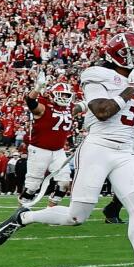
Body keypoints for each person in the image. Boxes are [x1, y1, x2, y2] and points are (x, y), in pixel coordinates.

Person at [0, 31, 134, 267]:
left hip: (126, 151)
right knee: (75, 217)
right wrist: (131, 88)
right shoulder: (96, 74)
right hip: (98, 148)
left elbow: (129, 113)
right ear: (119, 55)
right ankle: (24, 217)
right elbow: (103, 111)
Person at [19, 76, 81, 208]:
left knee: (64, 183)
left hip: (58, 151)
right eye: (61, 94)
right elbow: (30, 101)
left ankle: (50, 211)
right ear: (53, 95)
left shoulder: (70, 108)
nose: (64, 97)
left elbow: (83, 106)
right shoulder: (44, 106)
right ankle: (19, 213)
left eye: (66, 95)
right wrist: (37, 88)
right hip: (39, 149)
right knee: (32, 186)